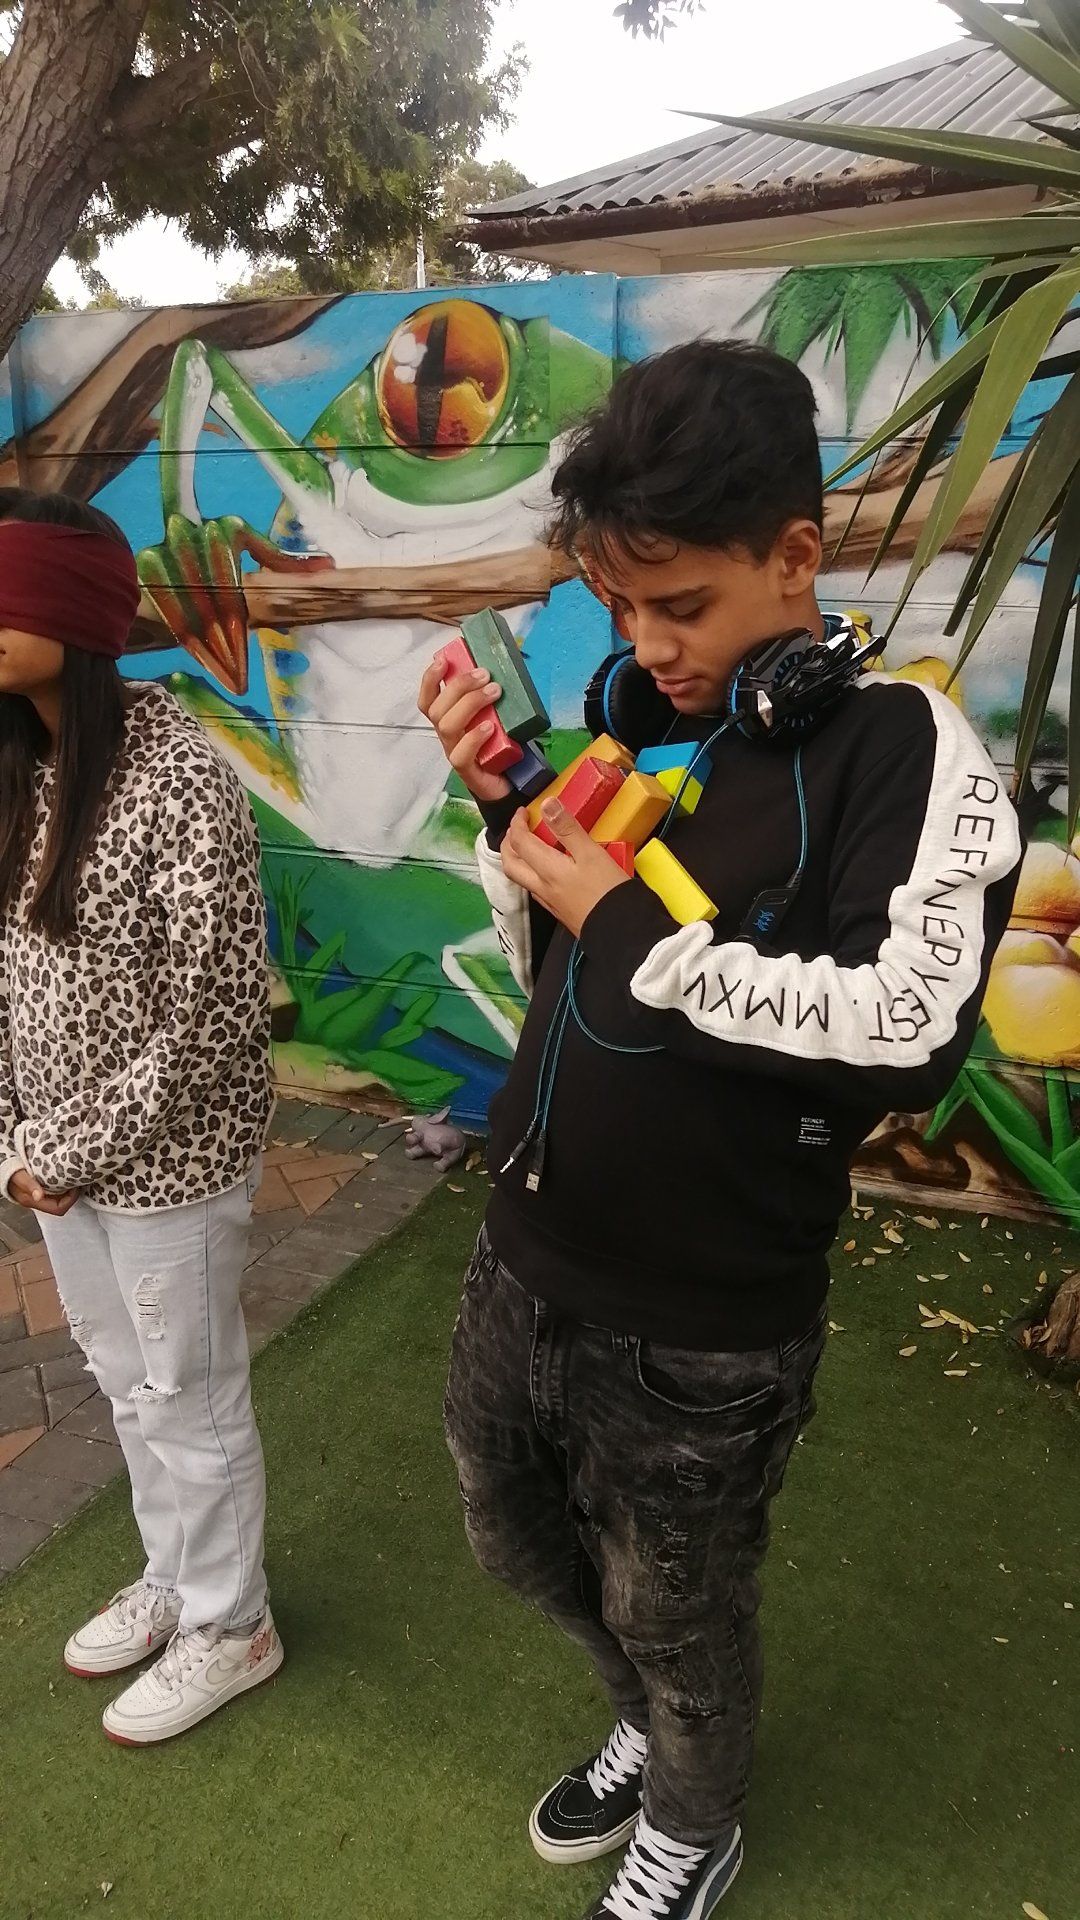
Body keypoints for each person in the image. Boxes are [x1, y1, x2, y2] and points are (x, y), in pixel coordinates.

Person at [419, 341, 1022, 1920]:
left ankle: (693, 1819)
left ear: (797, 557)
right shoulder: (669, 723)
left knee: (683, 1614)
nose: (647, 647)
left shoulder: (907, 749)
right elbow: (567, 966)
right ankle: (642, 1720)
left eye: (679, 605)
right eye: (621, 608)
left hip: (703, 1326)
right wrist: (510, 816)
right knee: (510, 1538)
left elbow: (908, 1031)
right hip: (523, 1251)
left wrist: (626, 922)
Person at [0, 488, 281, 1744]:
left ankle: (236, 1623)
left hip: (170, 1168)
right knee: (125, 1385)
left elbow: (212, 1014)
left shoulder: (181, 781)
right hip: (57, 1167)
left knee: (191, 1397)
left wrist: (65, 1148)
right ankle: (175, 1579)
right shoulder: (23, 766)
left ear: (69, 614)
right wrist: (17, 1143)